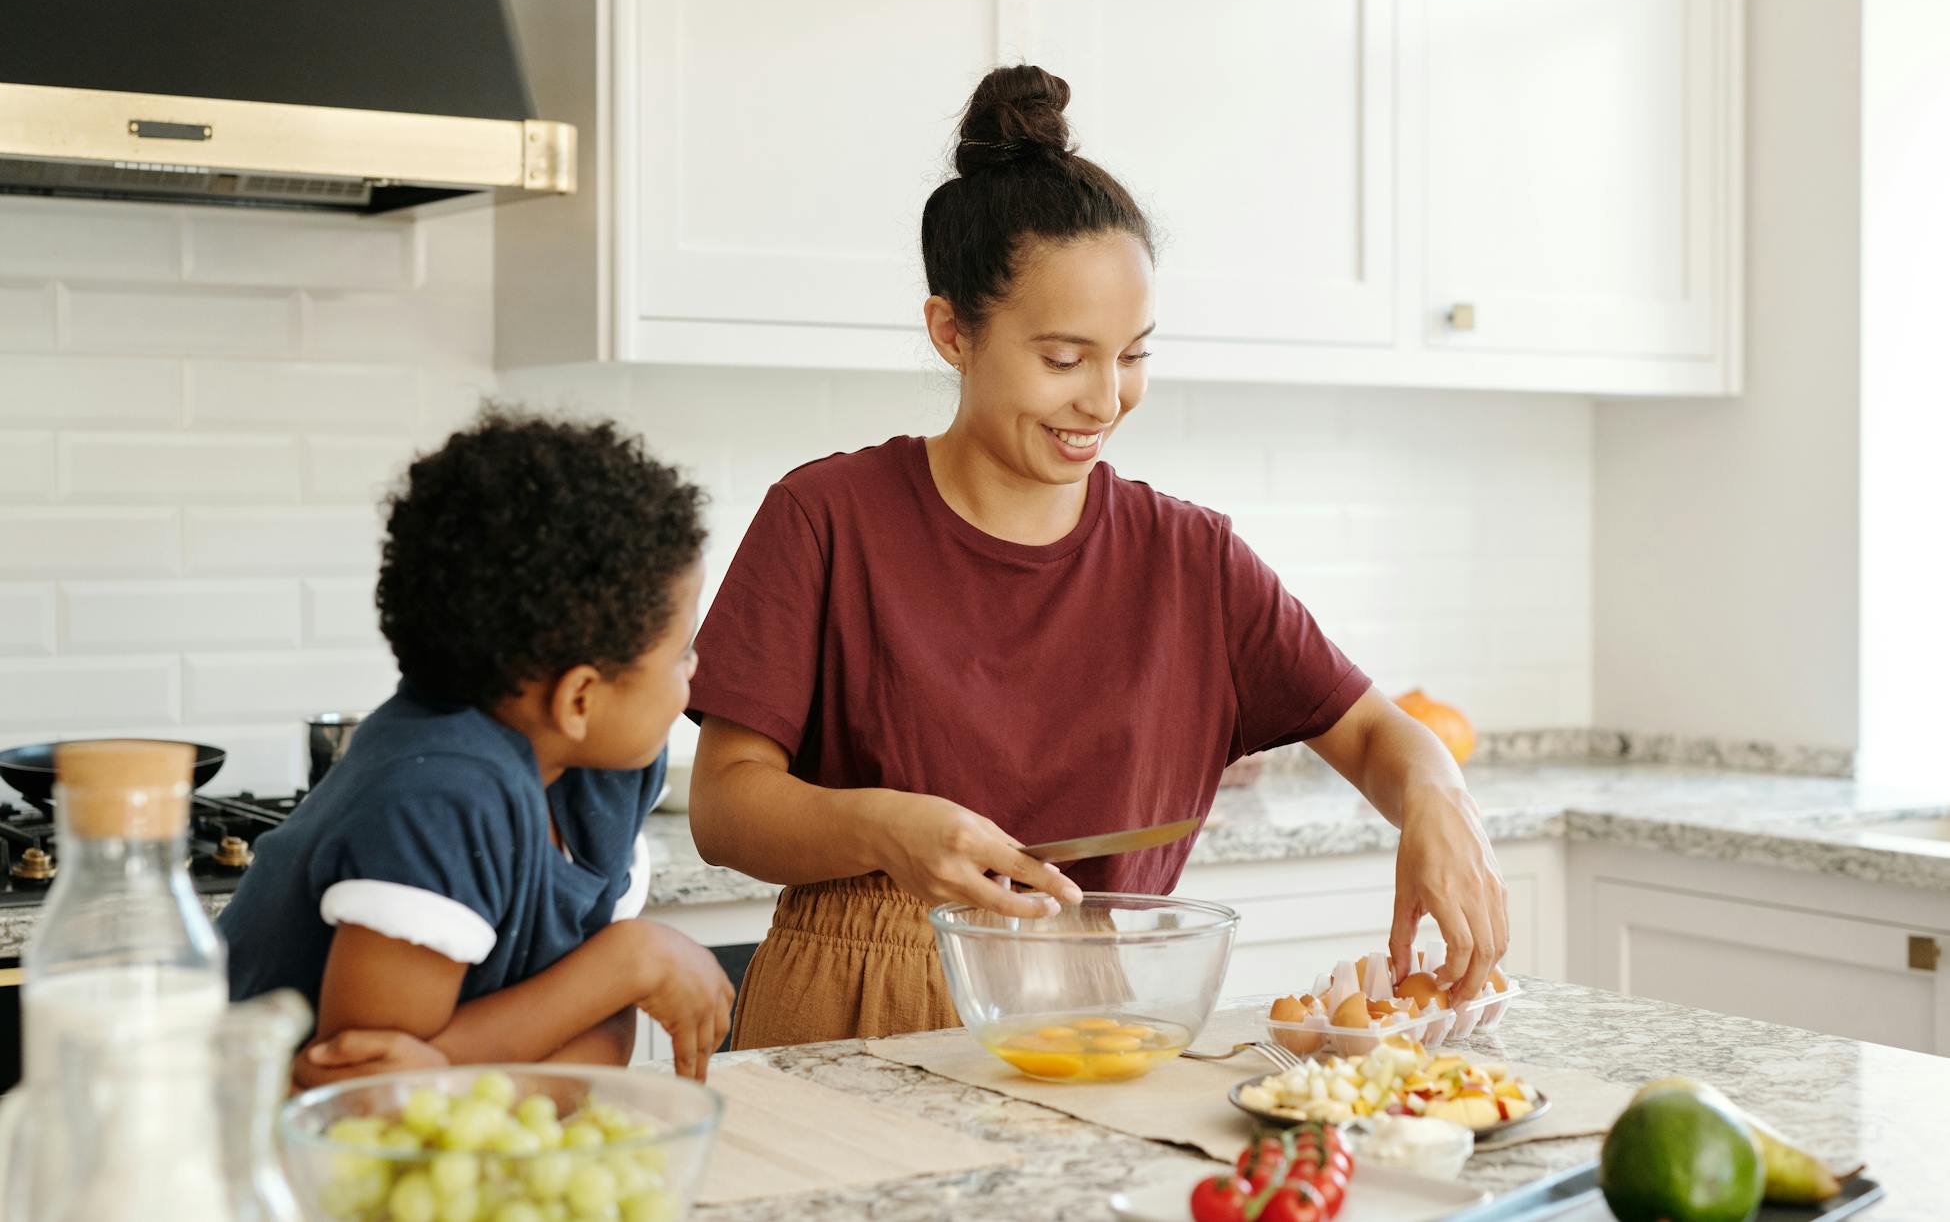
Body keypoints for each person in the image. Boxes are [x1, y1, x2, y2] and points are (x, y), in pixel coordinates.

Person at [686, 65, 1509, 1050]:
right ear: (953, 331)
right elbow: (725, 801)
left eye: (1135, 353)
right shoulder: (824, 517)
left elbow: (1381, 736)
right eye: (1065, 358)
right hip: (855, 1011)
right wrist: (885, 831)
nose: (1106, 398)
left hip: (1101, 1022)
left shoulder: (1194, 562)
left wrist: (1435, 796)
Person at [219, 411, 735, 1083]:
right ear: (579, 699)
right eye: (681, 652)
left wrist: (461, 1067)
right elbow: (359, 1092)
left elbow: (601, 1034)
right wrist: (627, 961)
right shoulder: (441, 795)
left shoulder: (603, 777)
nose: (693, 671)